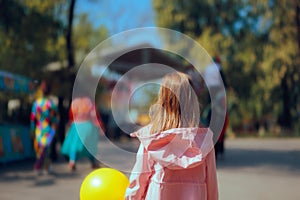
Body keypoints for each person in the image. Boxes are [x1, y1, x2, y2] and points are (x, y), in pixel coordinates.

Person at [125, 72, 218, 200]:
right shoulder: (204, 139)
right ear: (193, 101)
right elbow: (211, 183)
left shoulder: (152, 137)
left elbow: (139, 179)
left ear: (163, 99)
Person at [61, 96, 103, 171]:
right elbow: (94, 115)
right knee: (89, 145)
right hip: (87, 125)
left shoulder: (74, 102)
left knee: (73, 144)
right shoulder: (89, 102)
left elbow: (71, 114)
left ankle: (72, 161)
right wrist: (99, 125)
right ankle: (93, 162)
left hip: (76, 125)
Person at [30, 81, 59, 174]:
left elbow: (32, 118)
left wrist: (32, 129)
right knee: (46, 148)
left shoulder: (36, 103)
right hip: (48, 129)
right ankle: (42, 166)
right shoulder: (50, 104)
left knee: (41, 148)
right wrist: (55, 127)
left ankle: (42, 166)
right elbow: (56, 118)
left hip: (39, 129)